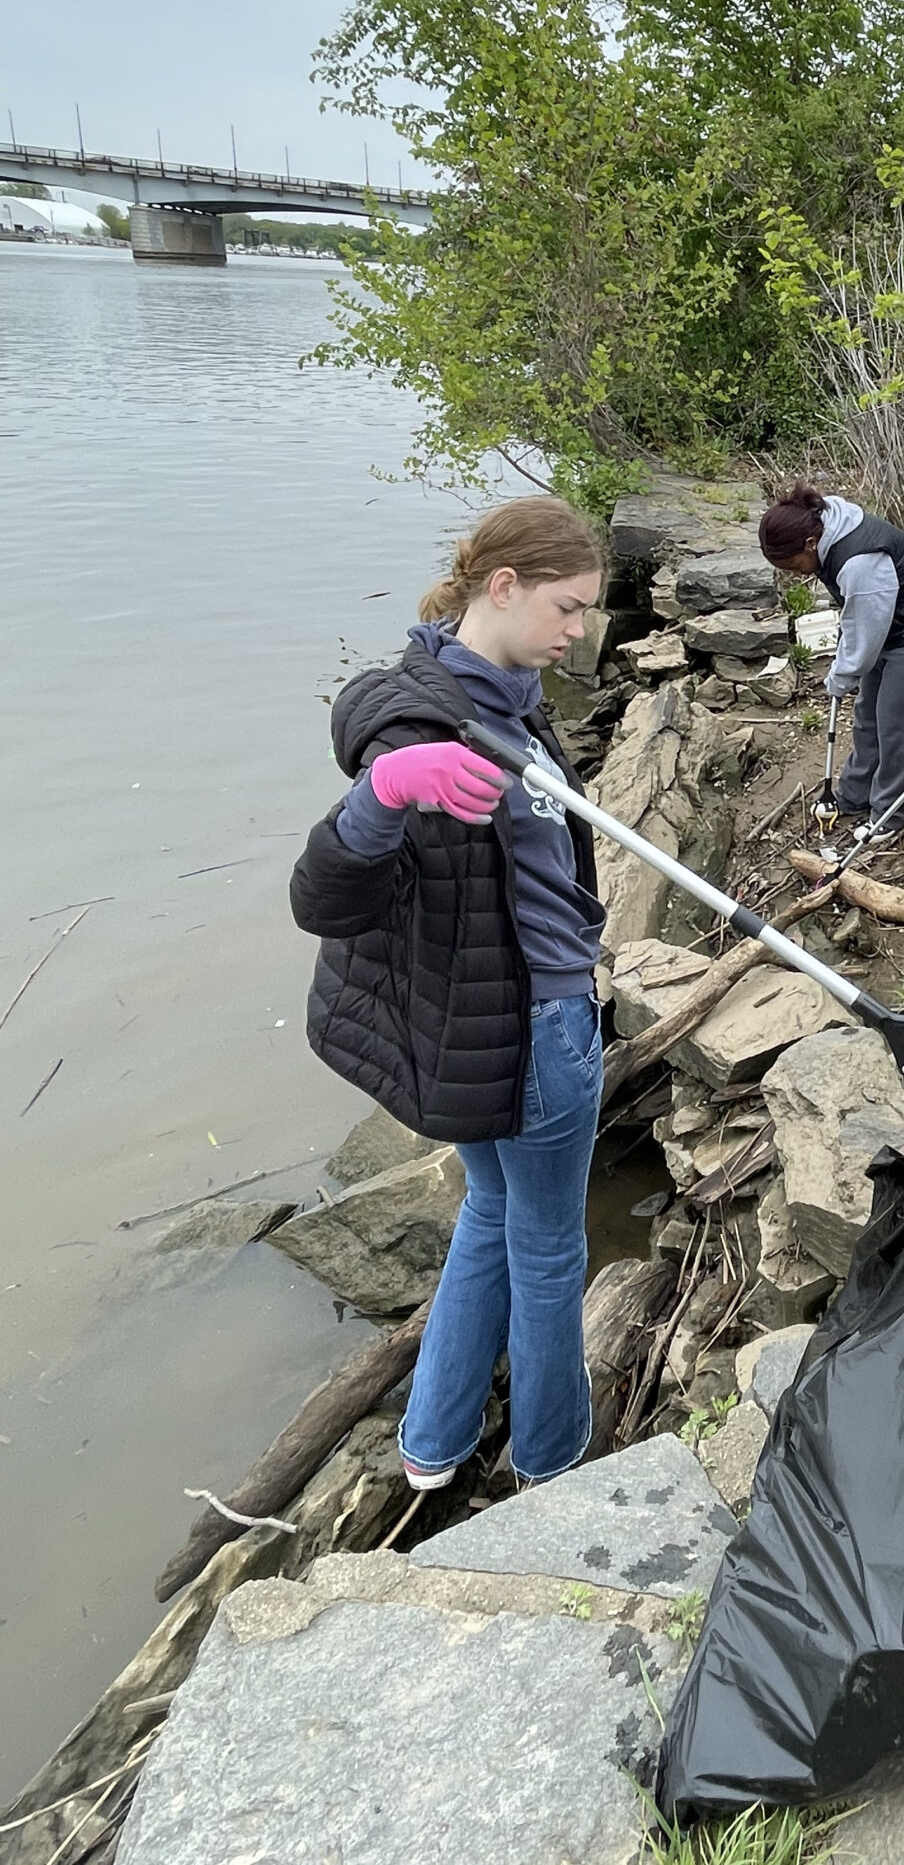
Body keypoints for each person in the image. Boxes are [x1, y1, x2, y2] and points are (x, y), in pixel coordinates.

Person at [290, 495, 610, 1494]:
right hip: (532, 1033)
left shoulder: (506, 689)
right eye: (566, 606)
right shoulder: (426, 727)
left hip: (494, 1025)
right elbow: (324, 897)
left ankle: (430, 1444)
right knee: (549, 1249)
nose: (580, 630)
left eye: (587, 609)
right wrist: (383, 793)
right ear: (502, 586)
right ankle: (554, 1466)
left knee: (491, 1210)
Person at [757, 485, 904, 846]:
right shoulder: (824, 528)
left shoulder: (860, 560)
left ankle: (889, 814)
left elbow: (866, 630)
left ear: (810, 544)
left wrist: (842, 674)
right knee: (867, 716)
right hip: (889, 627)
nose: (795, 575)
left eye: (793, 566)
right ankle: (853, 794)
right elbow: (856, 619)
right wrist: (845, 667)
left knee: (898, 727)